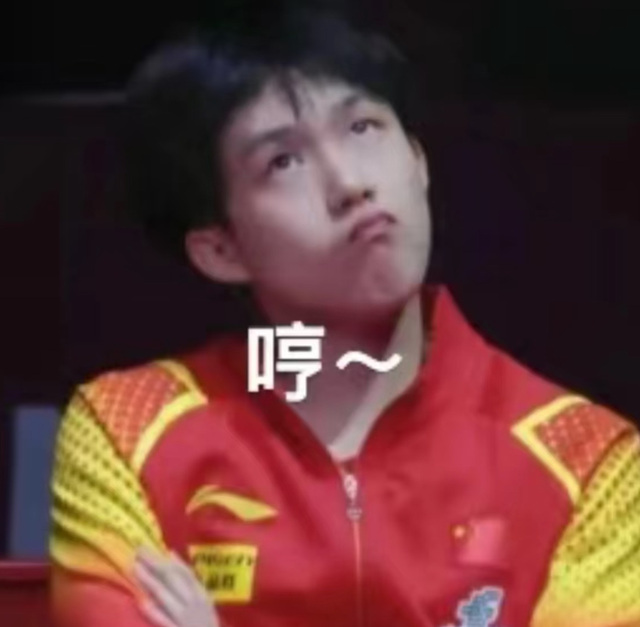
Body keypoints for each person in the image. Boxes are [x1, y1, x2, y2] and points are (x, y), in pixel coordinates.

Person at [48, 4, 640, 627]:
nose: (350, 184)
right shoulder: (125, 432)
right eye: (283, 162)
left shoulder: (592, 463)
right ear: (222, 249)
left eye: (362, 127)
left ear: (418, 161)